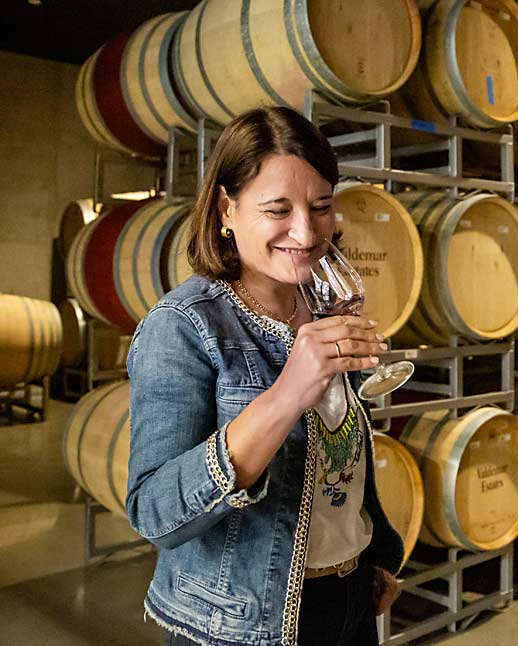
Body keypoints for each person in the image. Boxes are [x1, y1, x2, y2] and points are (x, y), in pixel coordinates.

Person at [126, 106, 404, 646]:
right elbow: (154, 511)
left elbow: (334, 465)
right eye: (278, 209)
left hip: (348, 602)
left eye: (321, 207)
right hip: (241, 624)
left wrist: (366, 555)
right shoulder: (183, 327)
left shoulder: (320, 306)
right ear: (227, 209)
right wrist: (285, 396)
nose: (306, 231)